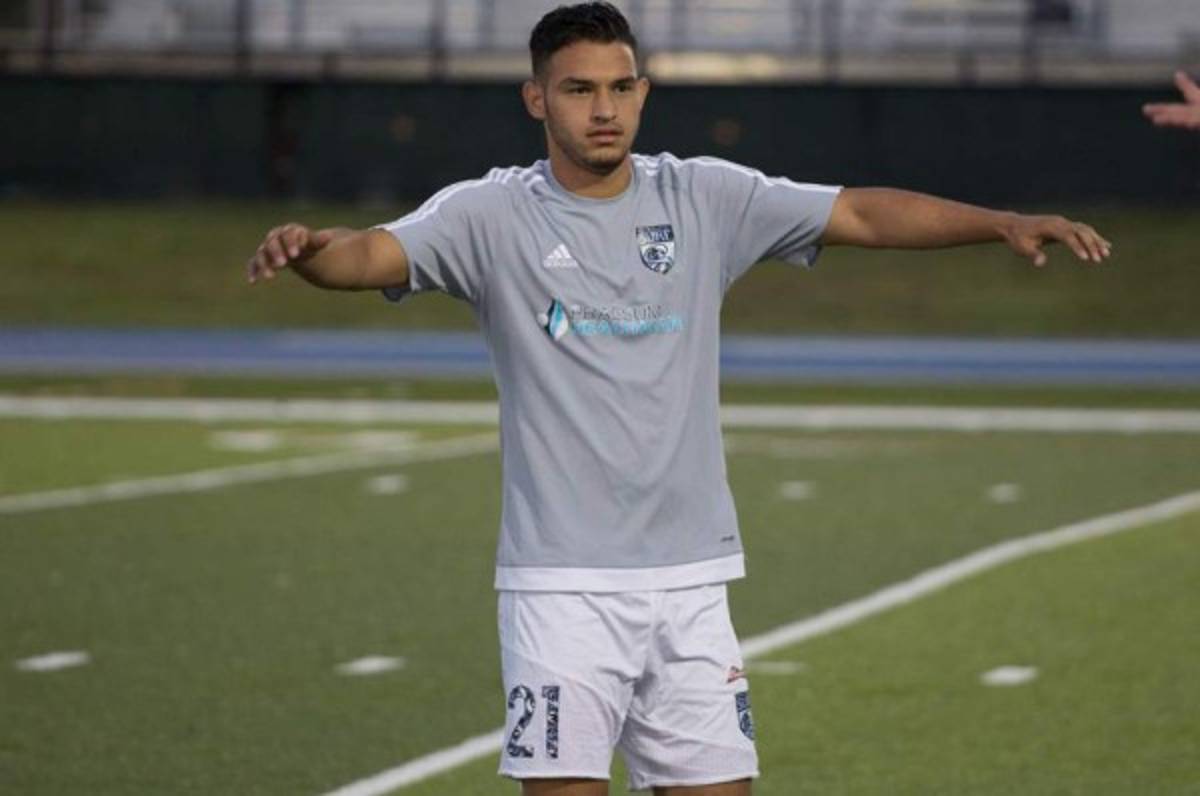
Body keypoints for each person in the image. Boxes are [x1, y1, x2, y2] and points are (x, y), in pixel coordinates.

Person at [246, 4, 1111, 794]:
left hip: (693, 584)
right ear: (536, 99)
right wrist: (310, 251)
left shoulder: (703, 196)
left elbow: (861, 215)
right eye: (579, 89)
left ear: (644, 91)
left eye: (621, 87)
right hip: (563, 589)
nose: (605, 109)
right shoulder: (489, 215)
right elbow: (369, 256)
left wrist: (999, 223)